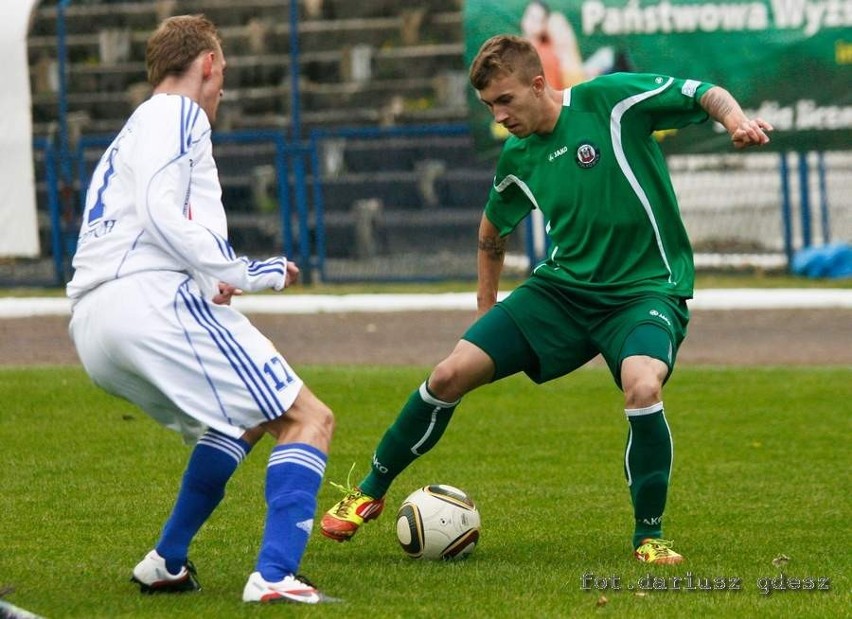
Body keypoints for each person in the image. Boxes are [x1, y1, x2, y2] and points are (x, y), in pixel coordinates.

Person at [320, 34, 773, 564]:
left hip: (645, 290)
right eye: (489, 107)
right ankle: (369, 490)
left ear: (538, 84)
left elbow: (704, 92)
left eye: (505, 100)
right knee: (448, 374)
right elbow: (492, 229)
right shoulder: (517, 155)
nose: (499, 116)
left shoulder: (610, 101)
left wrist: (736, 121)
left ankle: (648, 537)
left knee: (642, 384)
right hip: (560, 292)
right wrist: (486, 308)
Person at [67, 15, 336, 604]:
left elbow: (143, 219)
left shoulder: (130, 132)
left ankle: (166, 561)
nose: (221, 92)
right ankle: (274, 576)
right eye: (223, 77)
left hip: (94, 325)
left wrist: (209, 273)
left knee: (240, 420)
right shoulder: (178, 112)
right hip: (149, 302)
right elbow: (161, 208)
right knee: (308, 419)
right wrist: (246, 271)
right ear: (209, 65)